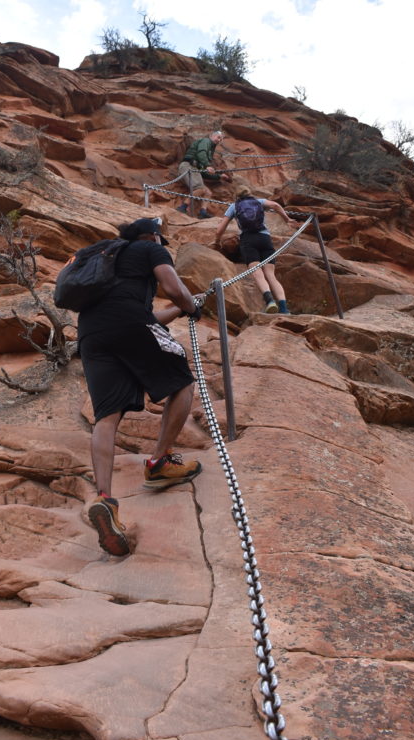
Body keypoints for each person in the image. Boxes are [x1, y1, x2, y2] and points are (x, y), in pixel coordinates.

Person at [78, 217, 203, 557]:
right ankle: (160, 461)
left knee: (106, 416)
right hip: (128, 324)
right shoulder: (149, 249)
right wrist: (193, 306)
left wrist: (177, 311)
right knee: (182, 383)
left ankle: (104, 498)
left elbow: (144, 317)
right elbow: (174, 287)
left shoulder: (107, 259)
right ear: (151, 236)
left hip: (91, 335)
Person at [213, 187, 293, 314]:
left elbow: (219, 230)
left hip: (248, 240)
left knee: (257, 272)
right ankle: (284, 308)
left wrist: (217, 241)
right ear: (250, 194)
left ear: (236, 196)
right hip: (264, 238)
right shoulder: (259, 202)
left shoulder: (234, 206)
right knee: (271, 275)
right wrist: (287, 219)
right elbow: (276, 205)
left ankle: (270, 301)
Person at [176, 131, 232, 219]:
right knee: (200, 189)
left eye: (221, 139)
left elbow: (204, 173)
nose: (219, 140)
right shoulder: (206, 141)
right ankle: (183, 207)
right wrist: (207, 165)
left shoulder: (210, 149)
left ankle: (202, 212)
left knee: (208, 192)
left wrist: (219, 176)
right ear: (211, 136)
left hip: (195, 170)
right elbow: (201, 153)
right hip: (189, 167)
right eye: (218, 137)